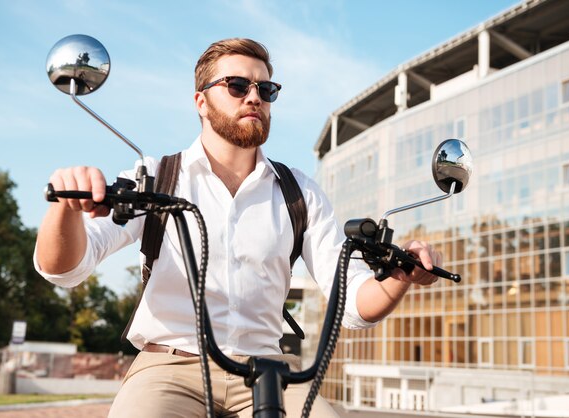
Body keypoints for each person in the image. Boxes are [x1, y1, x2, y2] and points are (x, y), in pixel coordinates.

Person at [34, 38, 442, 418]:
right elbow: (64, 269)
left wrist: (399, 276)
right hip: (170, 367)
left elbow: (354, 302)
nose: (254, 97)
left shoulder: (299, 192)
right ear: (200, 101)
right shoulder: (157, 177)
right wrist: (66, 208)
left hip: (268, 370)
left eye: (266, 90)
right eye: (236, 85)